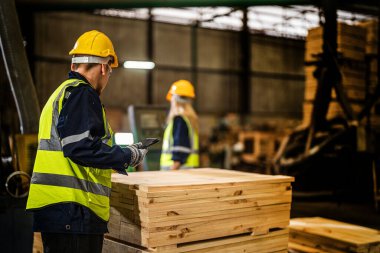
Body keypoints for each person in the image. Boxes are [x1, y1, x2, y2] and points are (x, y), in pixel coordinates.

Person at [26, 30, 147, 253]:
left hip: (61, 211)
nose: (108, 77)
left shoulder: (61, 94)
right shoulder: (82, 94)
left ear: (74, 65)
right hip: (74, 211)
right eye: (110, 71)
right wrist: (127, 156)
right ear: (103, 67)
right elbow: (79, 148)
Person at [160, 80, 199, 170]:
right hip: (188, 171)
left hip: (177, 172)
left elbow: (180, 150)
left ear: (175, 99)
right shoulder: (190, 119)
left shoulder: (179, 119)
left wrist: (172, 170)